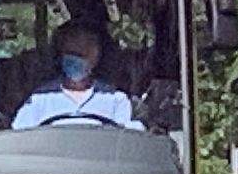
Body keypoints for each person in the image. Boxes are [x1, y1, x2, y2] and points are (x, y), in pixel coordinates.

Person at [11, 22, 141, 130]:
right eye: (71, 53)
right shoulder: (39, 100)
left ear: (96, 57)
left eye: (82, 54)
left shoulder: (116, 101)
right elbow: (19, 137)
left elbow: (127, 143)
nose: (76, 60)